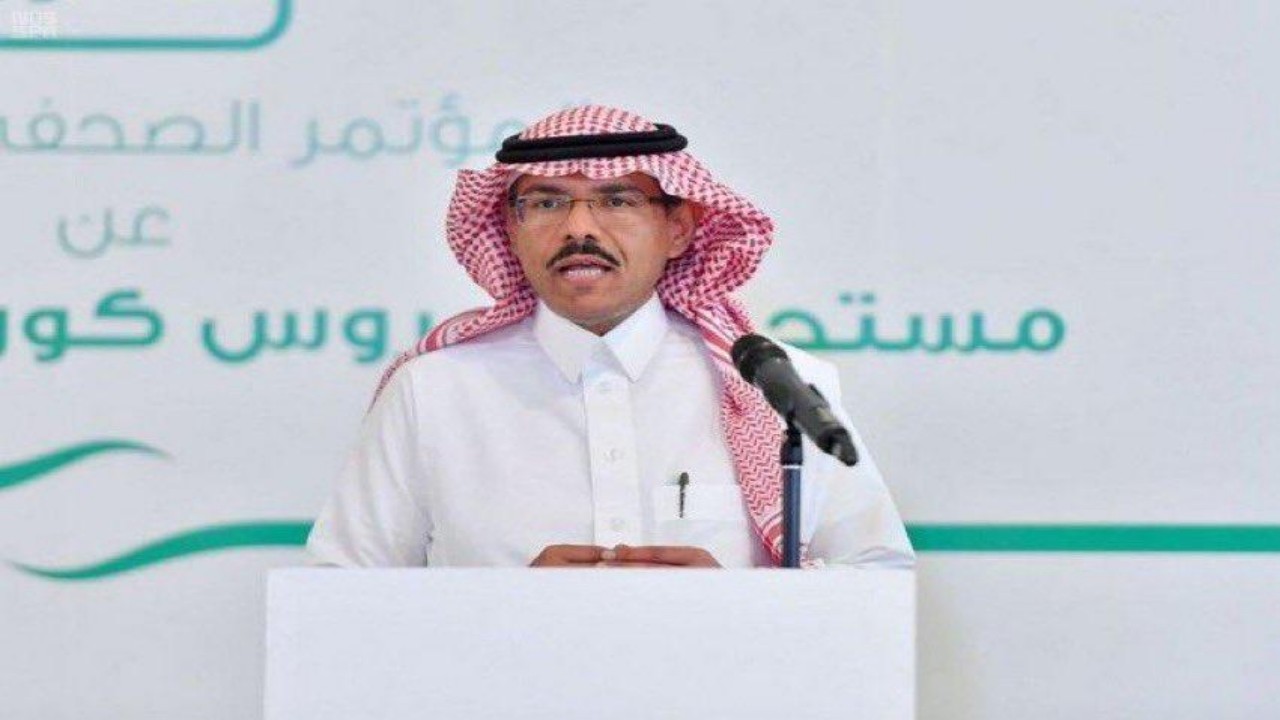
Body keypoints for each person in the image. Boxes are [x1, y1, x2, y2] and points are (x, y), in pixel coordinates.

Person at [306, 105, 913, 569]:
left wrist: (731, 603)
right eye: (546, 204)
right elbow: (340, 593)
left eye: (616, 200)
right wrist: (505, 607)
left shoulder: (777, 391)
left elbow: (878, 577)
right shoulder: (432, 391)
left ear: (679, 228)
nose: (579, 229)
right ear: (510, 230)